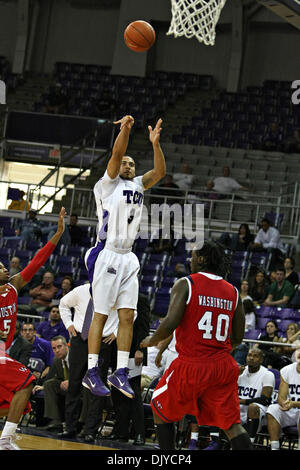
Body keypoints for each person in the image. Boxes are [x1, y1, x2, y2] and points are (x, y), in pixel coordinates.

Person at [82, 115, 166, 399]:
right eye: (125, 163)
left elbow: (160, 172)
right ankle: (92, 371)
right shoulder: (108, 183)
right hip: (107, 254)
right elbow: (117, 153)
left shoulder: (139, 185)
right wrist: (126, 131)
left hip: (129, 257)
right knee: (102, 315)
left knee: (128, 316)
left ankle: (119, 372)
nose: (128, 166)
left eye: (132, 164)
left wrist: (155, 144)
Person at [140, 240, 253, 450]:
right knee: (232, 425)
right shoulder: (234, 292)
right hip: (221, 365)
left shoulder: (186, 283)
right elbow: (237, 337)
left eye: (192, 256)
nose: (190, 261)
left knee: (158, 405)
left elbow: (171, 322)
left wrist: (152, 340)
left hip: (191, 364)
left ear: (201, 259)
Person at [0, 207, 66, 450]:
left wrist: (57, 234)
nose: (6, 269)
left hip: (3, 354)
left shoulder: (14, 286)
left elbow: (38, 260)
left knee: (15, 402)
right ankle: (5, 440)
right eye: (0, 268)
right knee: (27, 382)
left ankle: (5, 436)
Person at [58, 282, 119, 441]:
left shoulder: (113, 291)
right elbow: (63, 304)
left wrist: (116, 332)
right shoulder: (81, 290)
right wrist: (68, 324)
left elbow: (131, 314)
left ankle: (90, 430)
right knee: (74, 384)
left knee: (97, 388)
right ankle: (70, 427)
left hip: (102, 342)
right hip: (79, 340)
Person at [108, 292, 151, 445]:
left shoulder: (141, 299)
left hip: (133, 352)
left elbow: (144, 326)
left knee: (133, 392)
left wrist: (141, 348)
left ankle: (140, 434)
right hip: (116, 350)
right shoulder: (115, 298)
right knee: (117, 392)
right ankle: (120, 432)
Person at [32, 335, 69, 432]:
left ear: (66, 346)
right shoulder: (56, 360)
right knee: (49, 384)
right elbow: (54, 377)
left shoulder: (76, 356)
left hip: (80, 386)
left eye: (59, 347)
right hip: (66, 387)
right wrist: (43, 386)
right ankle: (55, 422)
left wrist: (72, 381)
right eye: (54, 348)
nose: (57, 350)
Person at [238, 348, 275, 443]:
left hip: (258, 411)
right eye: (249, 355)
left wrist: (241, 401)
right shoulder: (240, 371)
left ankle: (249, 442)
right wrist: (234, 375)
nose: (251, 358)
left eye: (255, 356)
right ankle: (216, 440)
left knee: (252, 407)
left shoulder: (267, 374)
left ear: (261, 360)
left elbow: (265, 399)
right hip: (237, 408)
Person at [266, 349, 300, 450]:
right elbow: (281, 396)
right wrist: (284, 403)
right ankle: (275, 447)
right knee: (273, 409)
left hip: (296, 406)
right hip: (290, 408)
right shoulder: (287, 370)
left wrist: (293, 403)